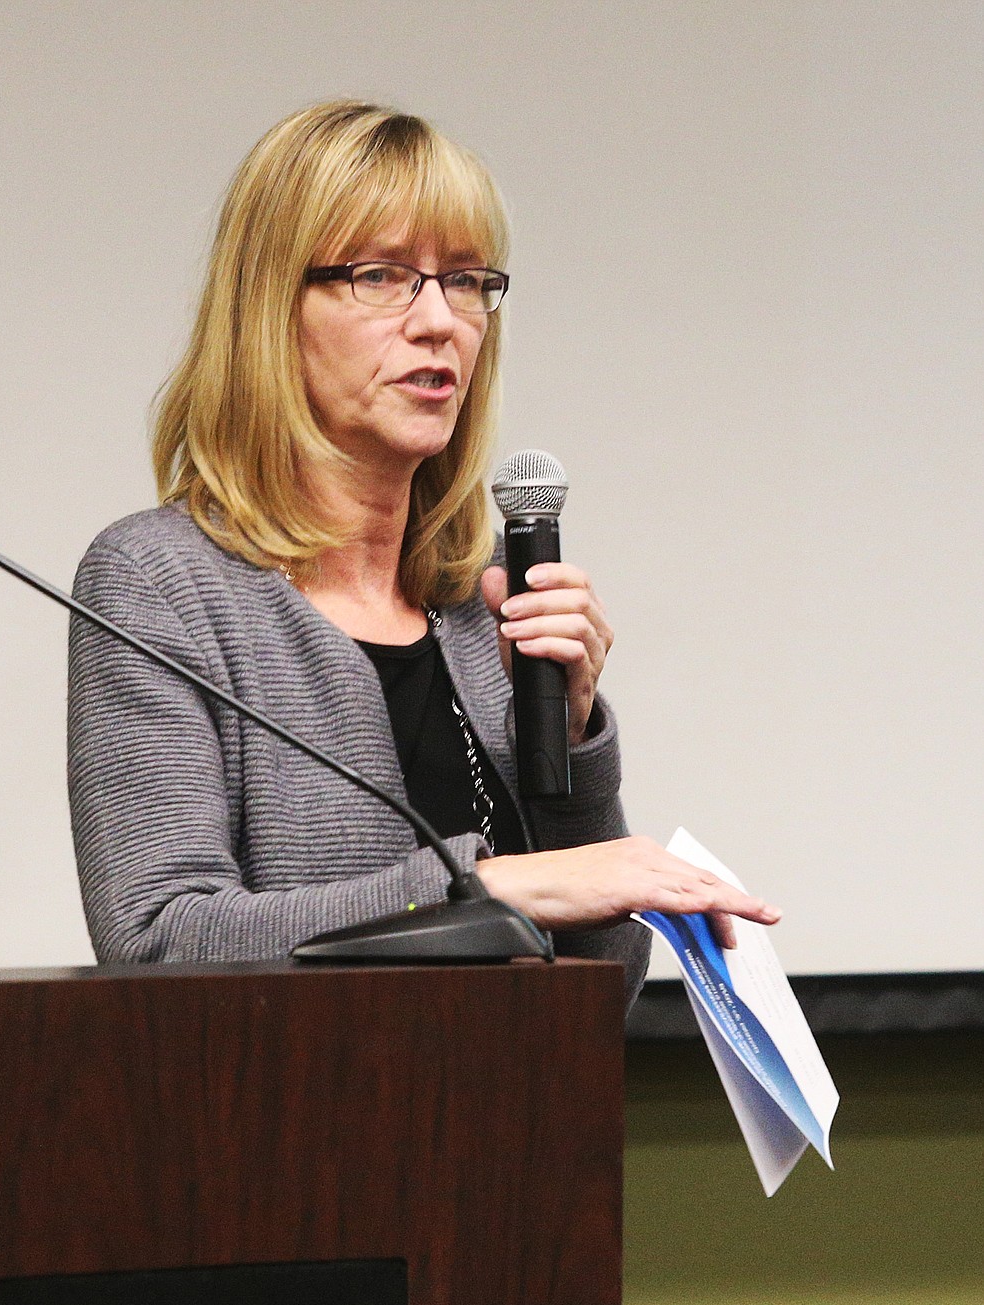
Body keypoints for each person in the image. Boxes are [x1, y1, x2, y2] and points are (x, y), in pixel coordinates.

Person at [67, 100, 779, 1008]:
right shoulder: (161, 583)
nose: (440, 321)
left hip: (512, 1133)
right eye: (382, 275)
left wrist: (568, 745)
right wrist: (492, 886)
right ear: (270, 309)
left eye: (467, 280)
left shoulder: (484, 596)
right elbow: (160, 936)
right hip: (288, 1137)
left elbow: (605, 983)